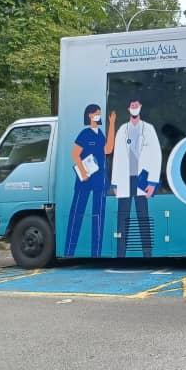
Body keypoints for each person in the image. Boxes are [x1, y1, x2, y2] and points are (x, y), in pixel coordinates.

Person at [111, 97, 162, 258]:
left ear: (140, 107)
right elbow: (117, 157)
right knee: (122, 219)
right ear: (129, 109)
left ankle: (147, 254)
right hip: (124, 180)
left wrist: (153, 182)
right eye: (131, 105)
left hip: (142, 180)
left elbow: (156, 155)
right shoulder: (122, 130)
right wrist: (115, 183)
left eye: (136, 105)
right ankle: (120, 254)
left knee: (143, 218)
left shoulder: (148, 129)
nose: (134, 107)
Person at [64, 104, 116, 258]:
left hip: (99, 180)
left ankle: (96, 252)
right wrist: (83, 171)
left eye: (99, 113)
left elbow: (108, 149)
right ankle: (69, 250)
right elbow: (75, 154)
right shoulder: (85, 133)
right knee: (77, 214)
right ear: (89, 115)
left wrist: (112, 124)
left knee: (98, 215)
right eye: (96, 113)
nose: (98, 116)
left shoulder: (100, 134)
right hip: (85, 179)